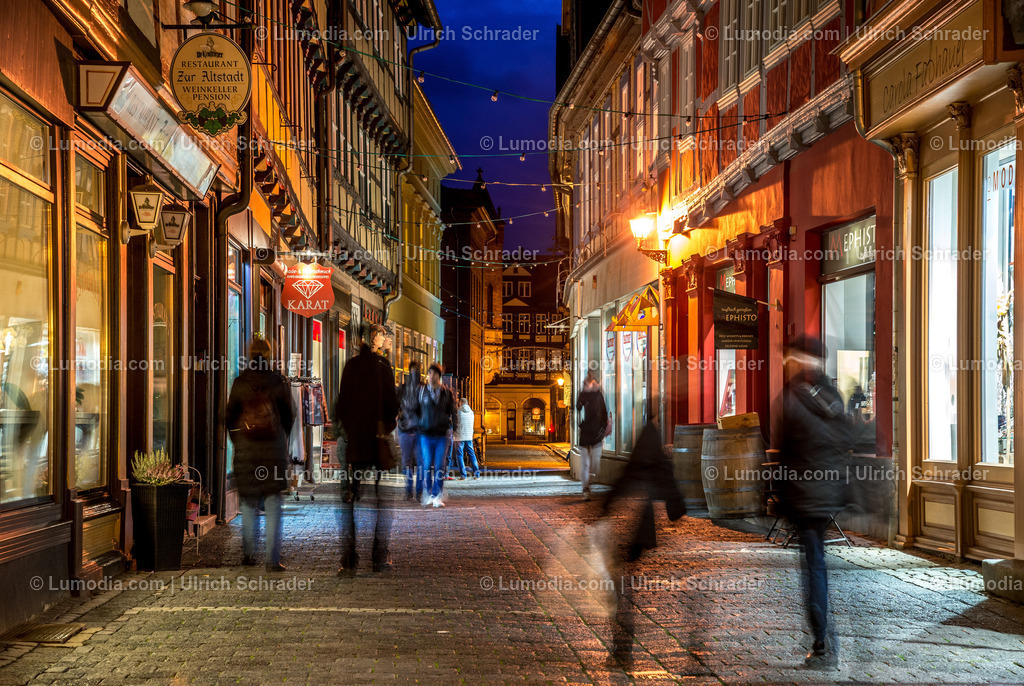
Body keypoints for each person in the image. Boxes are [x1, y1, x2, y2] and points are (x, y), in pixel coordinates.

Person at [774, 334, 853, 669]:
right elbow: (846, 441)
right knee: (818, 561)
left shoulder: (790, 398)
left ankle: (822, 642)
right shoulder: (834, 396)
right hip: (827, 495)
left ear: (797, 359)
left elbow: (783, 453)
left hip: (804, 496)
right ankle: (824, 638)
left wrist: (781, 497)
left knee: (814, 565)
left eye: (789, 357)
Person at [598, 411, 684, 666]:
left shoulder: (647, 432)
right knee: (620, 587)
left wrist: (607, 504)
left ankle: (622, 650)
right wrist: (675, 505)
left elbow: (640, 471)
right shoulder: (649, 431)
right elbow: (656, 470)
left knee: (619, 588)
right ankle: (622, 648)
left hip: (630, 519)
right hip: (633, 519)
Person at [226, 338, 295, 572]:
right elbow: (289, 417)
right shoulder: (278, 381)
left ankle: (248, 554)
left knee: (248, 502)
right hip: (272, 452)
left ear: (250, 354)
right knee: (273, 502)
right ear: (269, 355)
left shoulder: (240, 382)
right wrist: (280, 440)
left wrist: (239, 441)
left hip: (247, 452)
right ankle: (272, 560)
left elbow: (229, 418)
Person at [335, 324, 399, 574]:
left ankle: (349, 558)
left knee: (349, 499)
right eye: (381, 335)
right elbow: (392, 406)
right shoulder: (383, 366)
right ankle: (379, 556)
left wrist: (350, 431)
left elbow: (342, 405)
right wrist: (385, 429)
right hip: (378, 442)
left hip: (357, 443)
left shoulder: (351, 366)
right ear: (373, 339)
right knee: (383, 501)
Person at [418, 364, 458, 507]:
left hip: (442, 434)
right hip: (426, 433)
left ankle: (437, 495)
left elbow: (453, 410)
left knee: (440, 465)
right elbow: (416, 409)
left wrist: (454, 427)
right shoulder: (422, 392)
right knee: (427, 464)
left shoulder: (446, 393)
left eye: (434, 373)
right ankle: (428, 493)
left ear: (439, 376)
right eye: (430, 373)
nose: (431, 376)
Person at [576, 374, 608, 501]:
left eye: (588, 383)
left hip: (596, 433)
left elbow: (604, 413)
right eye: (585, 384)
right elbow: (578, 407)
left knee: (595, 464)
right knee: (585, 464)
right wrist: (583, 393)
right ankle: (585, 489)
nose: (586, 385)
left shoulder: (599, 396)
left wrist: (603, 428)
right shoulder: (583, 395)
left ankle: (590, 480)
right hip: (585, 433)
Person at [397, 361, 424, 500]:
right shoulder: (418, 389)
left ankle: (415, 491)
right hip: (409, 429)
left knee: (416, 463)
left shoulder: (407, 389)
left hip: (415, 429)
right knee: (411, 463)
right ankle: (411, 490)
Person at [453, 396, 481, 479]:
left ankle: (463, 475)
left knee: (459, 456)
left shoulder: (458, 411)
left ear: (460, 403)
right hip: (469, 436)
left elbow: (455, 423)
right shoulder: (471, 412)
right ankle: (477, 474)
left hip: (459, 436)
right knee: (472, 455)